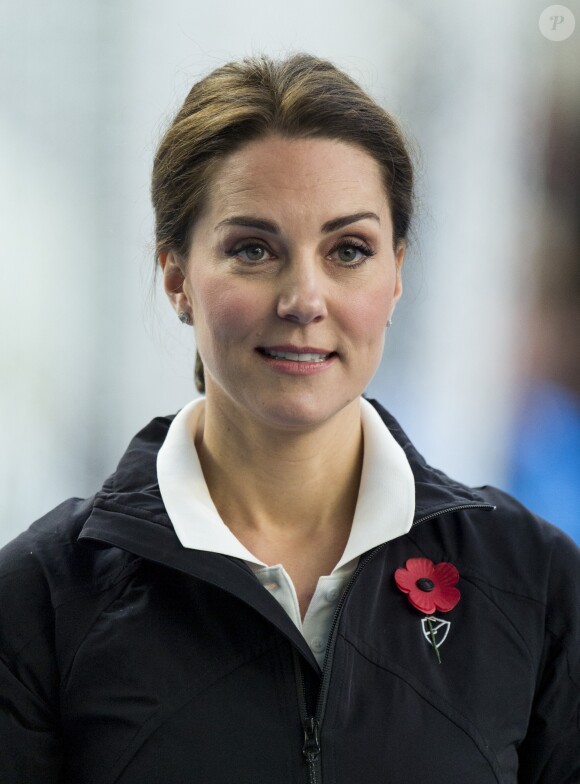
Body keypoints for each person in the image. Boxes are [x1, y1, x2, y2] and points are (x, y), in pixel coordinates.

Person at [0, 53, 578, 784]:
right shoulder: (41, 600)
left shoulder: (536, 584)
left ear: (396, 273)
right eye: (253, 249)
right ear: (176, 276)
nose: (305, 298)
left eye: (348, 251)